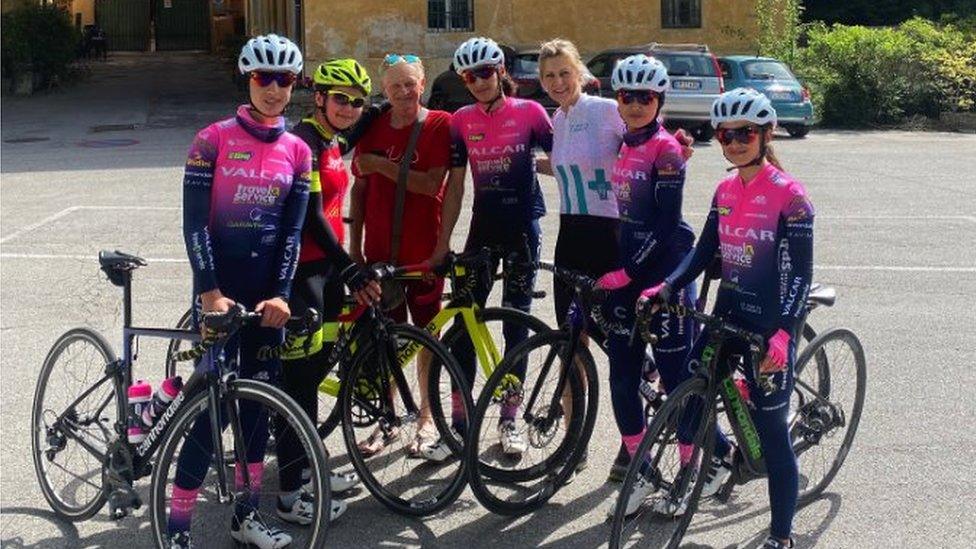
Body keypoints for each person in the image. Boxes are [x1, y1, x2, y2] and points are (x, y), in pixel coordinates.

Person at [639, 88, 814, 548]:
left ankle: (781, 536)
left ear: (766, 133)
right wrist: (669, 286)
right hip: (727, 316)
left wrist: (783, 333)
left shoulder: (790, 197)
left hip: (770, 328)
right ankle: (716, 466)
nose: (734, 142)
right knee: (688, 397)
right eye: (725, 134)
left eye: (744, 133)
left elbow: (801, 274)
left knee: (775, 438)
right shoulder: (724, 189)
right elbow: (702, 252)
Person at [172, 34, 310, 549]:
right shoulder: (211, 139)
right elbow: (194, 226)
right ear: (248, 79)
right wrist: (209, 293)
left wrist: (281, 294)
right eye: (263, 78)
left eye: (285, 80)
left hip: (266, 300)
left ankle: (247, 516)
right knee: (210, 414)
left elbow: (292, 234)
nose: (274, 90)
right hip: (219, 292)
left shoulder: (298, 150)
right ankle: (180, 527)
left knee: (256, 411)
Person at [537, 38, 695, 480]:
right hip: (570, 234)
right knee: (572, 338)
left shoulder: (607, 108)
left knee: (619, 341)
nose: (557, 83)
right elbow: (571, 167)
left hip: (610, 235)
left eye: (564, 73)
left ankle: (638, 438)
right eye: (549, 76)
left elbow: (648, 138)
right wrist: (530, 164)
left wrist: (679, 148)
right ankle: (574, 442)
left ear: (582, 74)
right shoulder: (558, 118)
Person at [428, 36, 553, 459]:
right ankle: (459, 423)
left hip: (522, 231)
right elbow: (457, 184)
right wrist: (444, 244)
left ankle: (509, 418)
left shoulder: (531, 112)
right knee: (465, 324)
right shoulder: (461, 119)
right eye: (469, 76)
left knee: (516, 325)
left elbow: (565, 160)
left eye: (485, 72)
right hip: (482, 230)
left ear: (501, 71)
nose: (479, 82)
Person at [276, 58, 383, 524]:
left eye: (356, 102)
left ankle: (308, 467)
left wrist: (378, 111)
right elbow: (314, 217)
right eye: (341, 99)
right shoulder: (303, 140)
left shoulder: (330, 136)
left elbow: (348, 140)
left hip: (327, 273)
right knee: (296, 386)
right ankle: (288, 493)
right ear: (319, 97)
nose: (350, 108)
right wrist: (351, 269)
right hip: (304, 273)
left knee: (314, 373)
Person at [592, 55, 698, 512]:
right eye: (626, 96)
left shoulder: (666, 150)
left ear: (659, 101)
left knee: (677, 382)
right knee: (622, 377)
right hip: (629, 269)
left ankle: (691, 472)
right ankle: (642, 472)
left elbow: (667, 223)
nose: (635, 105)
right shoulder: (623, 143)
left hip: (664, 275)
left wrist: (629, 274)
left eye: (645, 97)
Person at [348, 53, 460, 455]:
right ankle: (387, 417)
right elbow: (359, 189)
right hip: (379, 256)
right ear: (383, 89)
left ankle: (428, 419)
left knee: (429, 338)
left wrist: (379, 163)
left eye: (410, 83)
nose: (404, 92)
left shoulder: (439, 125)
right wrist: (354, 247)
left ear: (423, 81)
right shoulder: (372, 126)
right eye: (395, 85)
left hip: (423, 256)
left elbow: (432, 184)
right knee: (385, 341)